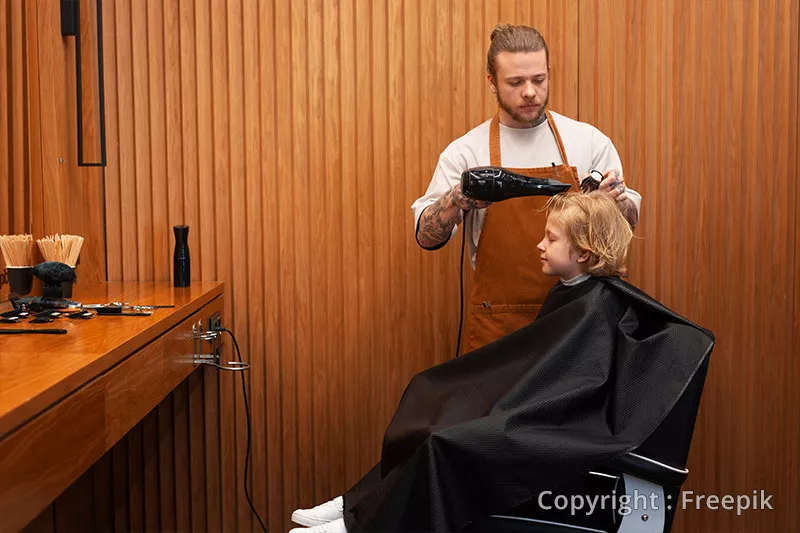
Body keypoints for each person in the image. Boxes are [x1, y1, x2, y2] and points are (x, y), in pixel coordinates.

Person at [288, 192, 713, 533]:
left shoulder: (598, 307)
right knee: (430, 396)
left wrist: (510, 409)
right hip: (534, 407)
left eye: (550, 238)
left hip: (556, 425)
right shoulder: (576, 291)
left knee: (444, 440)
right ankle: (354, 507)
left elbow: (574, 384)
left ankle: (357, 524)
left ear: (583, 252)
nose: (539, 245)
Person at [411, 23, 642, 354]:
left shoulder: (587, 141)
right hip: (499, 326)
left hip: (577, 319)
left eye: (539, 79)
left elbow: (629, 223)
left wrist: (612, 205)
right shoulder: (466, 152)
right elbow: (425, 235)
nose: (530, 92)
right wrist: (457, 199)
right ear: (492, 82)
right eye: (515, 82)